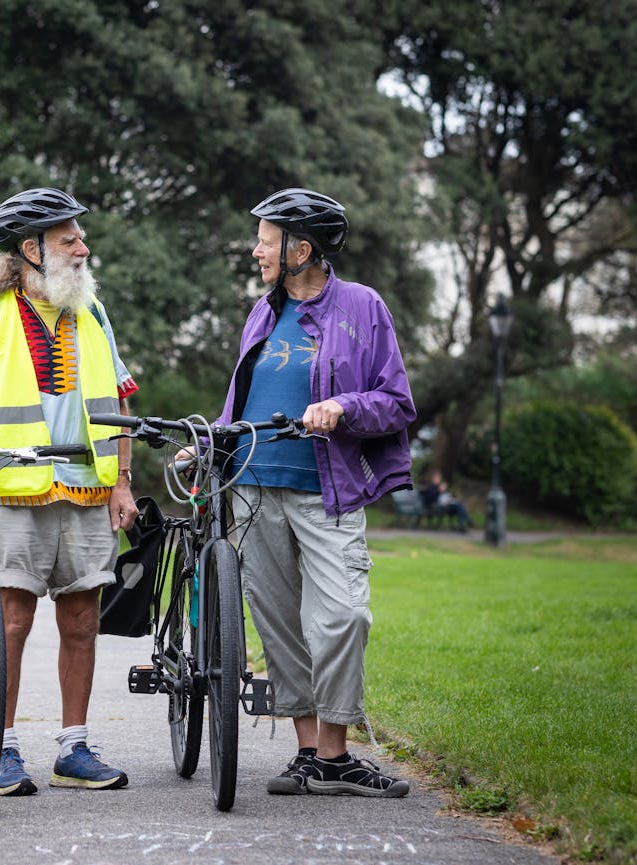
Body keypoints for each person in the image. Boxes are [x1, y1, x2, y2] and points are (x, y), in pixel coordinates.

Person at [0, 187, 138, 795]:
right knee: (10, 622)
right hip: (13, 489)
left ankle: (73, 749)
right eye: (70, 239)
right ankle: (5, 747)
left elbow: (121, 401)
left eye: (79, 237)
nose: (83, 247)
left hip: (85, 488)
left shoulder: (92, 312)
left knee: (81, 620)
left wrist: (123, 481)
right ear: (32, 249)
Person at [218, 187, 416, 798]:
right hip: (253, 489)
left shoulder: (362, 306)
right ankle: (311, 753)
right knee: (278, 624)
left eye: (266, 239)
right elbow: (243, 395)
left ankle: (336, 753)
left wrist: (343, 405)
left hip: (326, 491)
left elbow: (396, 402)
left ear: (301, 249)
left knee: (342, 616)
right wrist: (210, 444)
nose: (256, 251)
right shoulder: (263, 310)